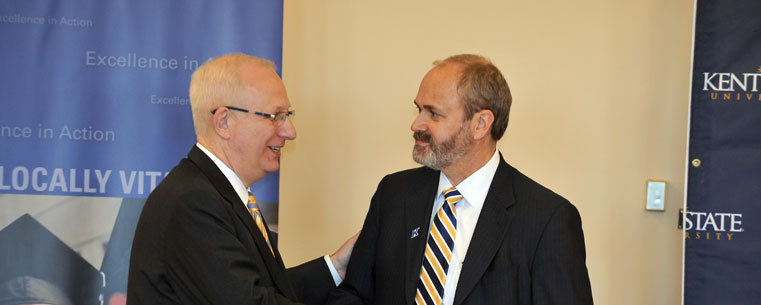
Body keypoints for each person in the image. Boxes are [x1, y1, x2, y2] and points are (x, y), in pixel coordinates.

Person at [327, 54, 593, 305]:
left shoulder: (547, 220)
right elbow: (354, 296)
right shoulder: (394, 194)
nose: (416, 124)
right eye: (418, 109)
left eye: (433, 114)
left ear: (480, 124)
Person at [128, 53, 356, 305]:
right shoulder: (193, 202)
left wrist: (336, 266)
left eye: (288, 115)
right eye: (276, 116)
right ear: (224, 122)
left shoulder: (214, 193)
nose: (290, 131)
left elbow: (256, 289)